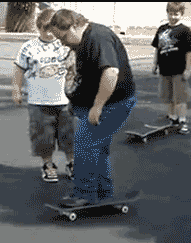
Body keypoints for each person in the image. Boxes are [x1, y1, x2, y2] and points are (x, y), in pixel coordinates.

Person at [48, 9, 138, 207]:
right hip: (101, 103)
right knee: (97, 148)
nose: (61, 42)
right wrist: (76, 101)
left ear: (72, 26)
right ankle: (104, 193)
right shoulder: (80, 41)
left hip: (114, 104)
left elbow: (111, 73)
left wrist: (97, 106)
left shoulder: (98, 37)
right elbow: (86, 76)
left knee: (85, 144)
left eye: (62, 37)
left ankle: (84, 194)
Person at [12, 9, 76, 183]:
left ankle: (72, 163)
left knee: (69, 136)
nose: (47, 33)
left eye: (50, 29)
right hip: (39, 102)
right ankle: (48, 164)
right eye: (43, 29)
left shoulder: (65, 44)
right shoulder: (28, 47)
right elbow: (19, 68)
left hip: (64, 101)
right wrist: (16, 89)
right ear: (38, 28)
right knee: (43, 137)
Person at [151, 2, 191, 134]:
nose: (173, 16)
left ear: (181, 14)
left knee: (180, 98)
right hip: (164, 70)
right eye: (171, 13)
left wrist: (187, 69)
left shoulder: (184, 30)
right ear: (167, 12)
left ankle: (182, 121)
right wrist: (154, 64)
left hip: (179, 71)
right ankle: (172, 118)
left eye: (176, 14)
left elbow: (189, 52)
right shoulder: (161, 29)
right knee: (168, 97)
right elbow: (157, 49)